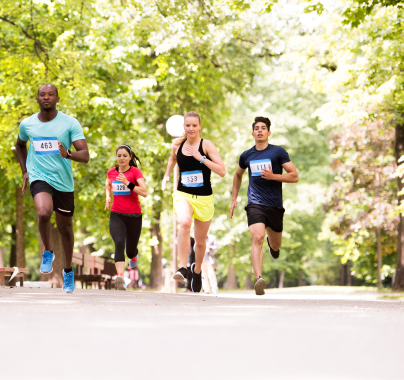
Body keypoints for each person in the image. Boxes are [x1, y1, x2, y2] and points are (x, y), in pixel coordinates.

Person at [15, 84, 89, 293]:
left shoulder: (69, 123)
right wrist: (25, 171)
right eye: (42, 95)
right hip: (39, 177)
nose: (46, 97)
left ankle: (67, 271)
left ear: (57, 99)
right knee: (44, 212)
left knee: (65, 228)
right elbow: (20, 145)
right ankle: (48, 251)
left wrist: (68, 154)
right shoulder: (27, 124)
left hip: (63, 181)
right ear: (37, 99)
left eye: (50, 95)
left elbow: (85, 154)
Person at [230, 116, 299, 295]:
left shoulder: (278, 152)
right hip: (255, 203)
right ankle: (259, 279)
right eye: (257, 128)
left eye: (263, 128)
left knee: (275, 245)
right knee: (257, 237)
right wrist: (234, 198)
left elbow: (294, 176)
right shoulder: (246, 155)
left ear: (269, 132)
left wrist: (274, 176)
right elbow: (237, 175)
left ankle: (272, 245)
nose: (260, 131)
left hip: (275, 205)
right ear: (252, 133)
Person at [162, 111, 226, 293]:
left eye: (194, 125)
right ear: (184, 127)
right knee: (184, 223)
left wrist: (201, 159)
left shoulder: (206, 145)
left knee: (199, 242)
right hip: (183, 194)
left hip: (204, 198)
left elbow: (222, 171)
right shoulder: (177, 145)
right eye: (187, 125)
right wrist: (167, 175)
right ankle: (183, 268)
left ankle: (196, 271)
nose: (191, 128)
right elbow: (172, 159)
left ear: (199, 127)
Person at [104, 144, 148, 290]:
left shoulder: (135, 172)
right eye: (119, 155)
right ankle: (121, 277)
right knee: (118, 242)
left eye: (124, 156)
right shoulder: (111, 172)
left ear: (130, 157)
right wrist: (107, 197)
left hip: (134, 215)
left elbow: (144, 192)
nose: (121, 158)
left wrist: (128, 183)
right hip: (116, 213)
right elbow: (108, 184)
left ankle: (133, 255)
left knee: (130, 249)